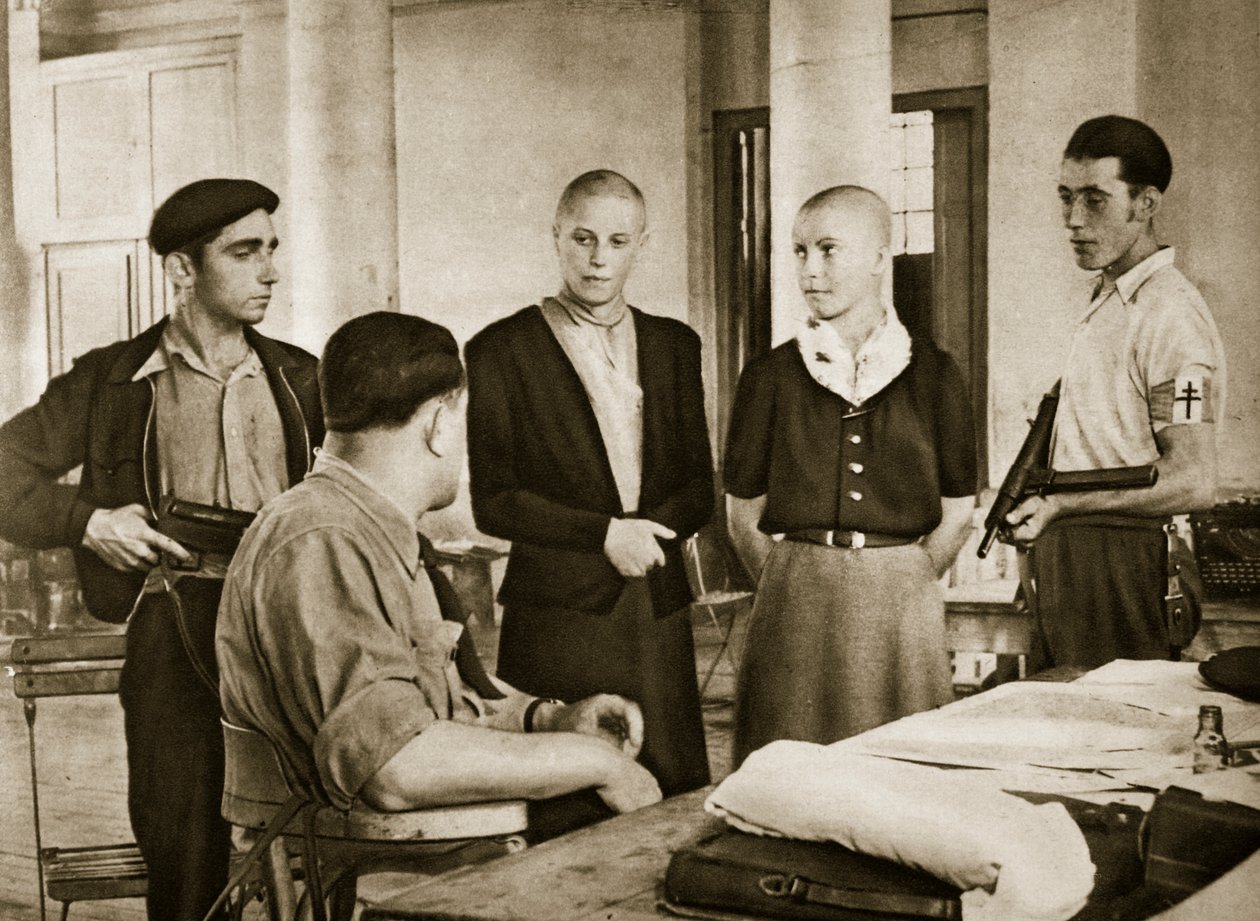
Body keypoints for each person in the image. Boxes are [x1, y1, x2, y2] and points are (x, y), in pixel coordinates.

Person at [0, 178, 324, 921]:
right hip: (176, 628)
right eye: (245, 253)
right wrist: (89, 520)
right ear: (182, 270)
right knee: (184, 846)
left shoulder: (302, 376)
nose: (270, 270)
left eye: (272, 250)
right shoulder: (109, 380)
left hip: (292, 626)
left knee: (316, 833)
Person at [216, 311, 661, 832]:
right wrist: (598, 762)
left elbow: (429, 697)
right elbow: (397, 766)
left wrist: (548, 718)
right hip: (381, 852)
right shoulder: (323, 538)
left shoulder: (356, 524)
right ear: (438, 422)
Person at [465, 170, 713, 796]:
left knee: (666, 791)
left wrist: (645, 538)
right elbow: (494, 504)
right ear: (556, 237)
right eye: (583, 239)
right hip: (557, 614)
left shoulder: (675, 345)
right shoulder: (500, 349)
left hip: (654, 604)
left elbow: (698, 488)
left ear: (641, 244)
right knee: (563, 801)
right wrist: (603, 534)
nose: (600, 259)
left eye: (618, 241)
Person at [724, 185, 977, 767]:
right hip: (794, 600)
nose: (810, 270)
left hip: (902, 605)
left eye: (828, 250)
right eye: (799, 251)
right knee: (787, 773)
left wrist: (900, 575)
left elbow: (958, 509)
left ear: (878, 257)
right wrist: (801, 578)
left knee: (899, 776)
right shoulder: (768, 375)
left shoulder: (934, 373)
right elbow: (742, 514)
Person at [1002, 115, 1225, 669]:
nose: (1073, 220)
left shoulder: (1171, 314)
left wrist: (1062, 504)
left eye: (1095, 200)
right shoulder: (1105, 302)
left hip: (1127, 562)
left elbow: (1193, 481)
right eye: (1065, 198)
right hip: (1073, 557)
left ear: (1146, 204)